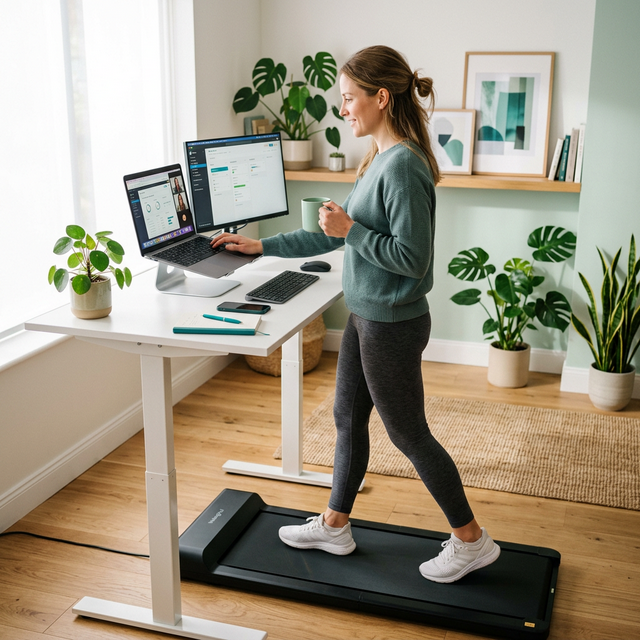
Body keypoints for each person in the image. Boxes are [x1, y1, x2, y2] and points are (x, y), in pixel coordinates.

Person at [211, 45, 500, 584]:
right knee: (348, 419)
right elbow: (333, 231)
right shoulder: (378, 159)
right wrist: (262, 246)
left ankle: (472, 540)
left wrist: (352, 232)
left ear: (380, 98)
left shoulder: (404, 168)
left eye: (348, 98)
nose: (342, 109)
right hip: (369, 315)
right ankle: (335, 524)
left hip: (392, 321)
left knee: (408, 433)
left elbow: (412, 262)